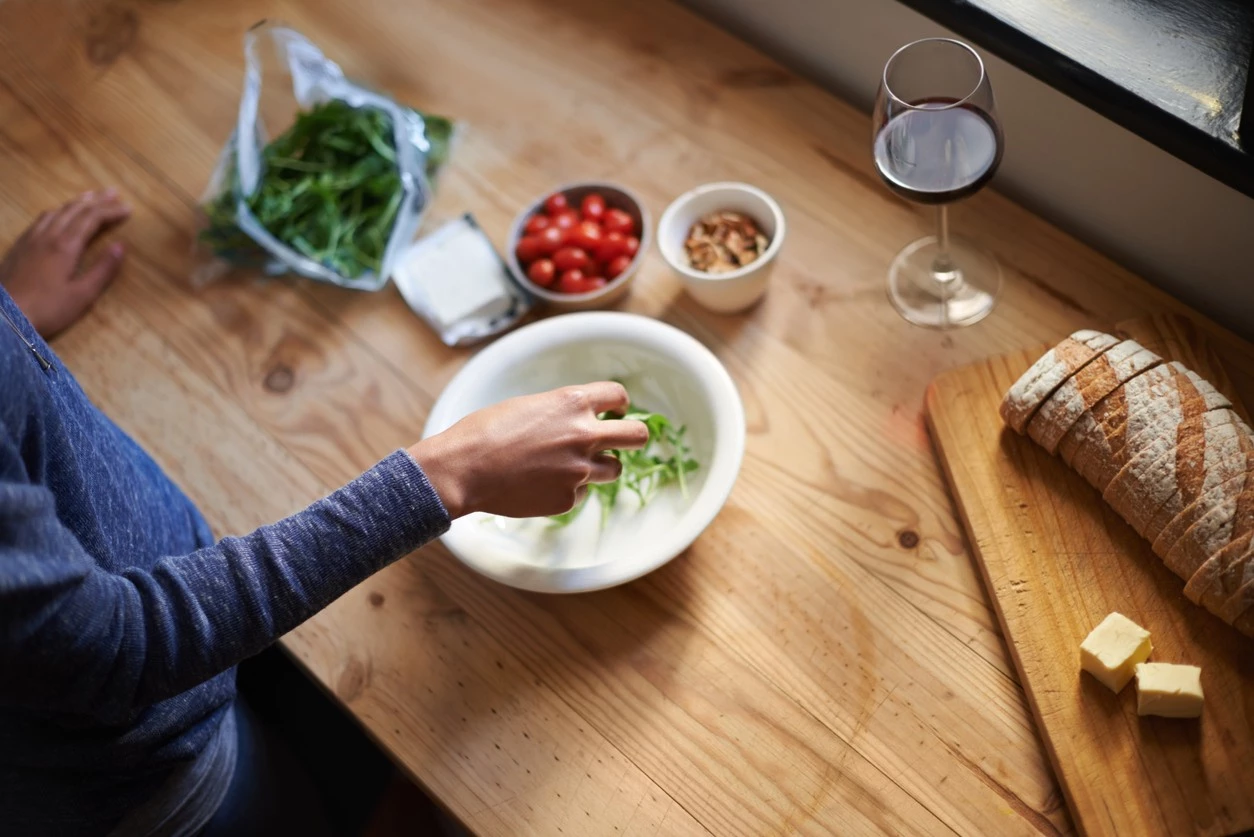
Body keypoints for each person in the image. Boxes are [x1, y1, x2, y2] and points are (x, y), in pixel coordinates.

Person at [0, 191, 649, 836]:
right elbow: (109, 651)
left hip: (191, 622)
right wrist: (450, 474)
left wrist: (11, 322)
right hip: (147, 774)